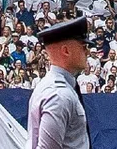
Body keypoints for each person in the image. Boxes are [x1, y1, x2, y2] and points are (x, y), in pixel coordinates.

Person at [28, 18, 92, 149]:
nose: (88, 52)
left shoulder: (51, 85)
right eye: (83, 47)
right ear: (66, 51)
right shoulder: (59, 94)